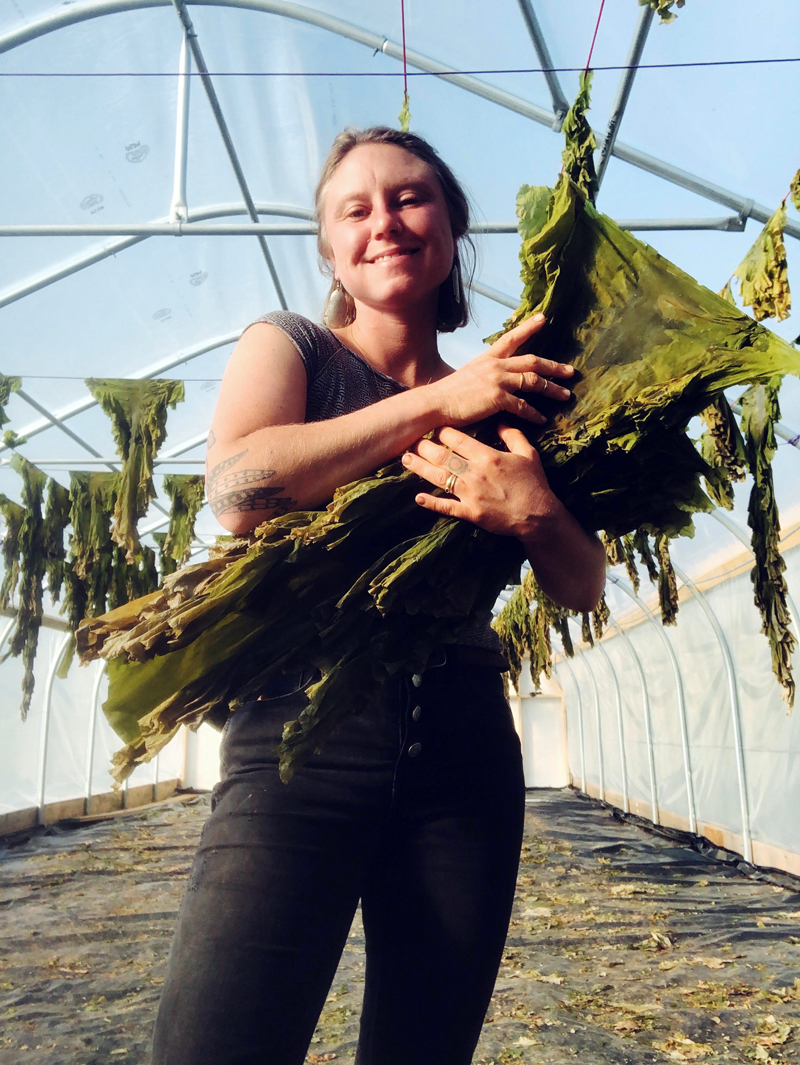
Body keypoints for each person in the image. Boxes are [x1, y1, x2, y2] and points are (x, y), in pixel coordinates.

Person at [150, 126, 605, 1065]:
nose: (384, 222)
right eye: (354, 210)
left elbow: (582, 585)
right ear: (331, 252)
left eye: (409, 198)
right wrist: (444, 400)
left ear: (450, 226)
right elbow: (240, 490)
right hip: (298, 734)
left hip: (462, 745)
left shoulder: (516, 392)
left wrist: (534, 513)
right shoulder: (295, 348)